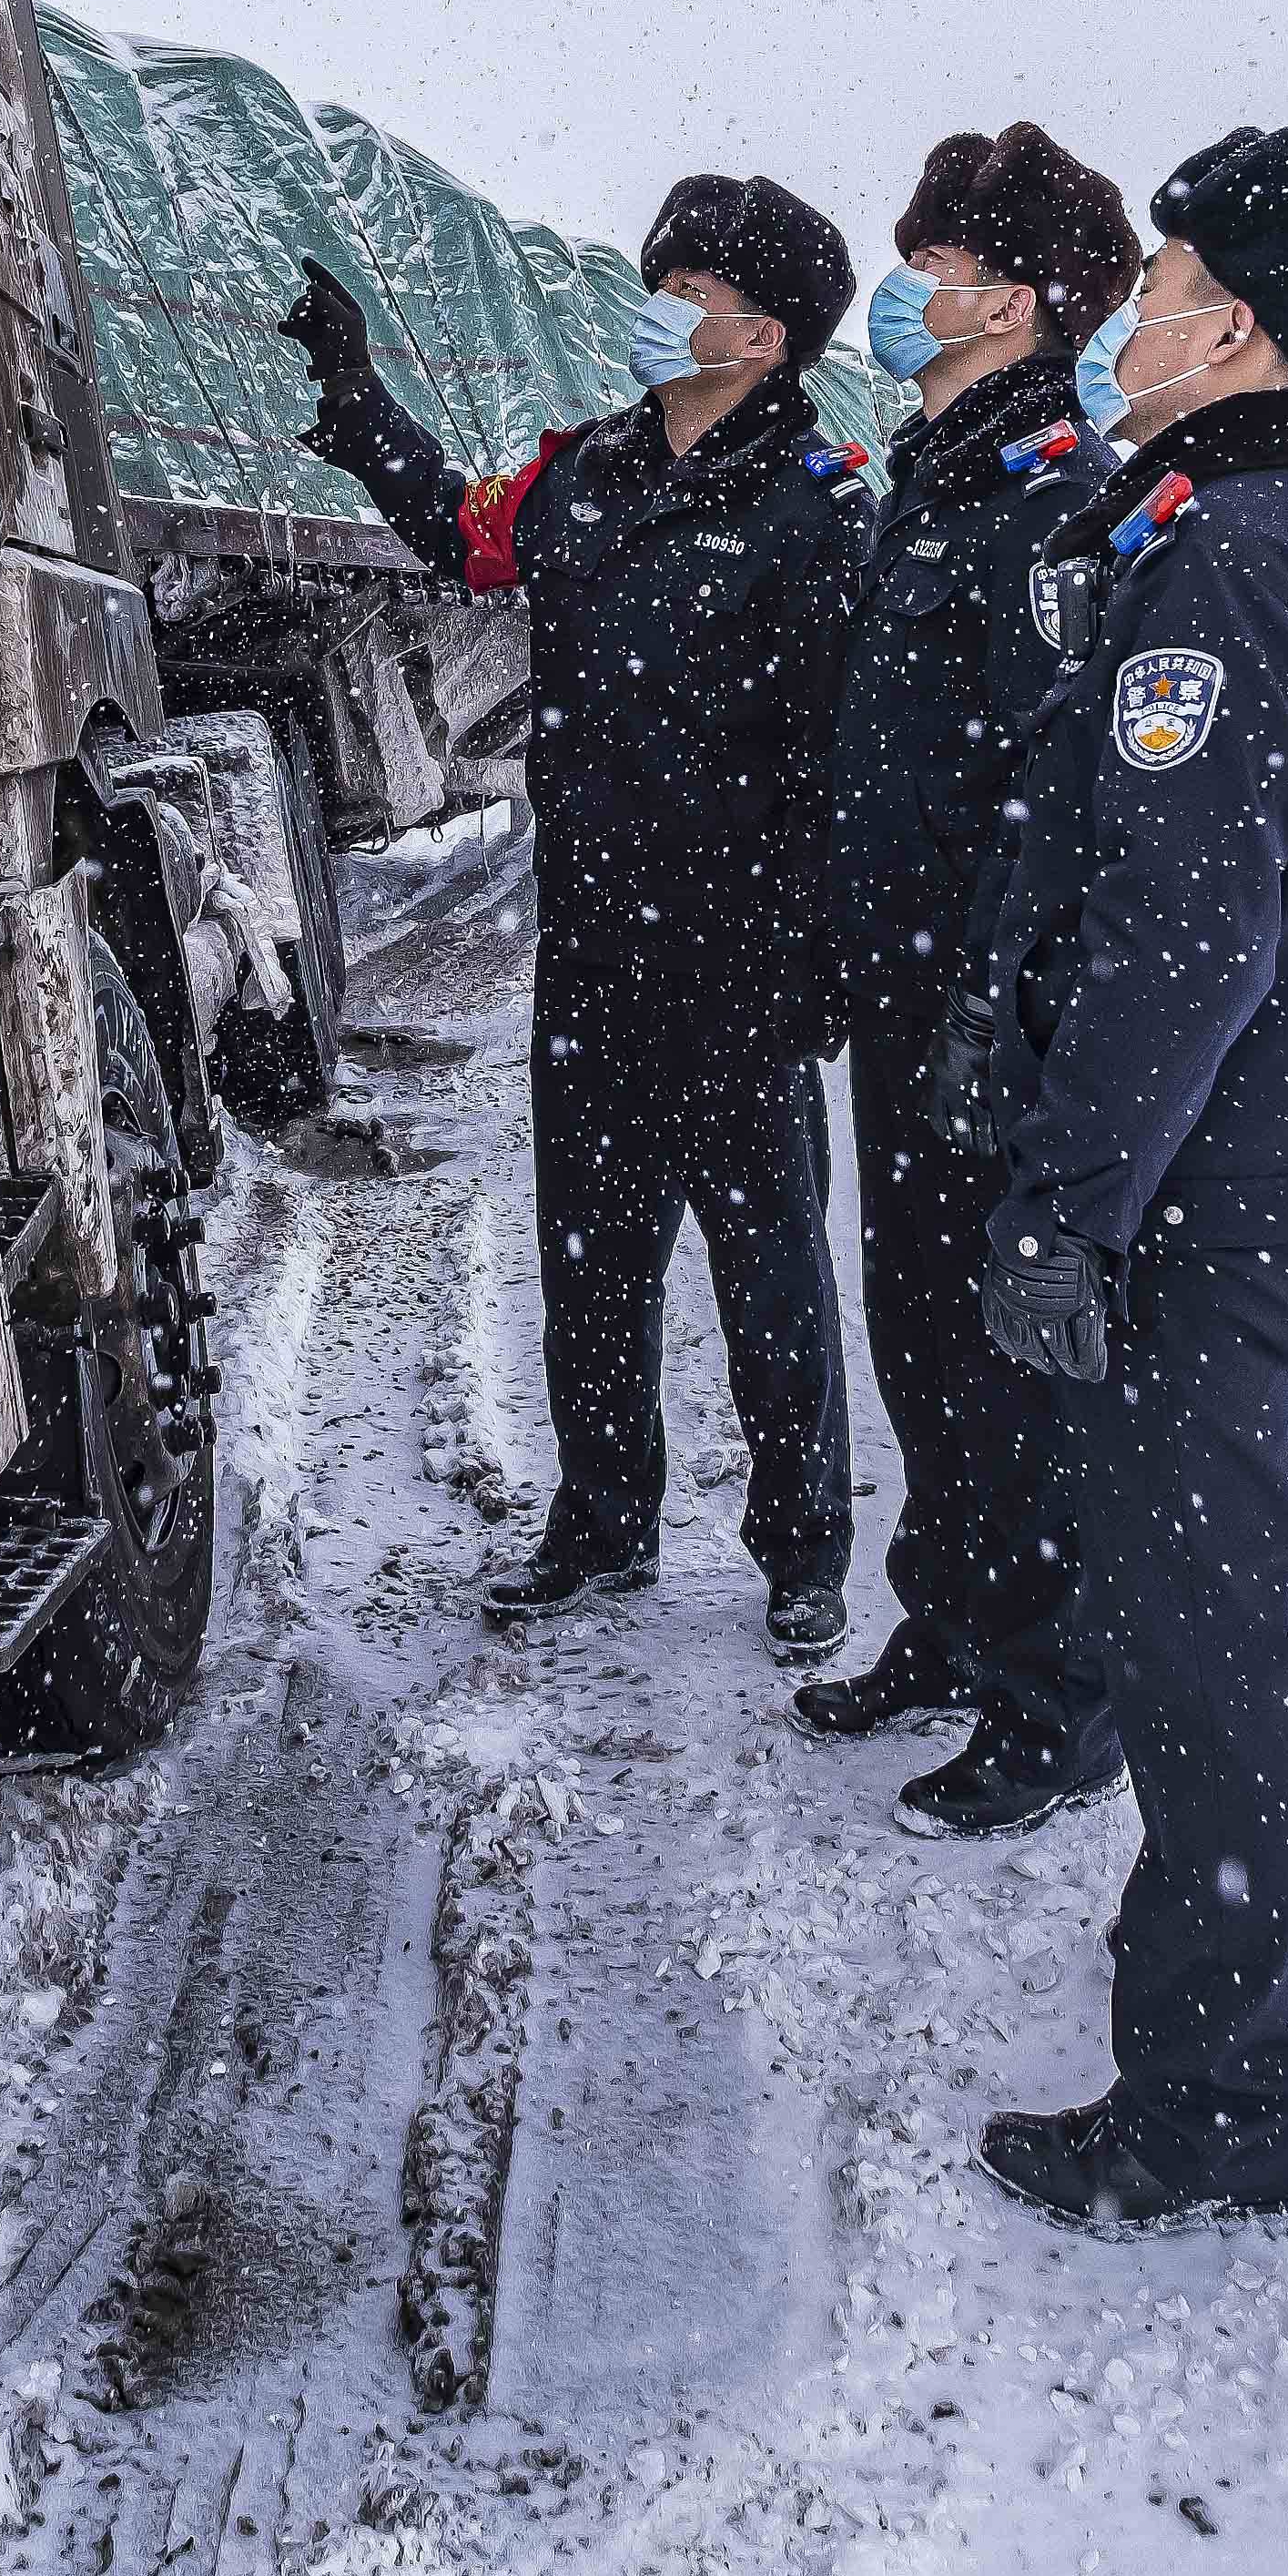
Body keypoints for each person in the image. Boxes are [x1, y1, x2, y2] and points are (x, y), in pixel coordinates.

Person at [945, 121, 1288, 2236]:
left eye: (1158, 282)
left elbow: (1183, 932)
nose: (1127, 313)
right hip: (1267, 1168)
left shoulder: (1229, 562)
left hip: (1193, 1186)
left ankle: (1215, 2095)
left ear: (1233, 321)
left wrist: (1068, 1195)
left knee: (1210, 1632)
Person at [281, 178, 874, 1645]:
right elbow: (458, 533)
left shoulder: (818, 504)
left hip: (741, 962)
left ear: (764, 333)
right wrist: (360, 401)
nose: (651, 305)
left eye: (684, 287)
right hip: (597, 949)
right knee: (588, 1264)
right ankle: (600, 1524)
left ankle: (801, 1554)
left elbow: (847, 756)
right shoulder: (583, 470)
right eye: (656, 274)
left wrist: (818, 953)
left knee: (769, 1275)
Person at [794, 126, 1147, 1843]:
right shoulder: (928, 473)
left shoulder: (1051, 490)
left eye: (927, 264)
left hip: (980, 1016)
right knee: (919, 1333)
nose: (901, 289)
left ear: (1008, 298)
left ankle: (1053, 1697)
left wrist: (997, 1017)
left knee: (1011, 1365)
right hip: (897, 996)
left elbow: (1048, 791)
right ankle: (940, 1621)